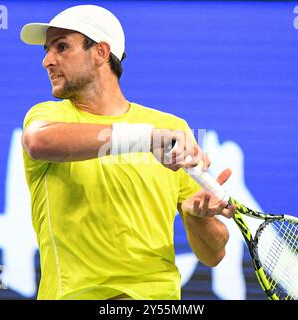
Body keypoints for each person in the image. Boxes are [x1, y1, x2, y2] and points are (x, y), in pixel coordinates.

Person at [20, 4, 236, 300]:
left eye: (61, 47)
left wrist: (196, 217)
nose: (47, 60)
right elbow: (38, 142)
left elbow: (213, 255)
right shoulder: (48, 117)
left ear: (100, 52)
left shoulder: (171, 128)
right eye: (47, 50)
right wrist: (145, 138)